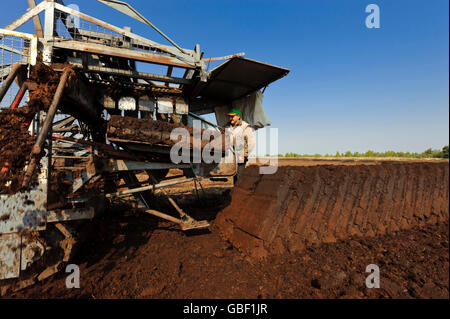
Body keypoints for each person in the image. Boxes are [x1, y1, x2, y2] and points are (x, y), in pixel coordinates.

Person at [225, 108, 255, 183]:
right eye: (229, 116)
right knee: (234, 174)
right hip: (231, 154)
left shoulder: (245, 126)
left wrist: (245, 154)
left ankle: (240, 191)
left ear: (238, 116)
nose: (230, 118)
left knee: (239, 175)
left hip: (241, 154)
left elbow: (251, 143)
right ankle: (236, 191)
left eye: (232, 116)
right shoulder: (226, 126)